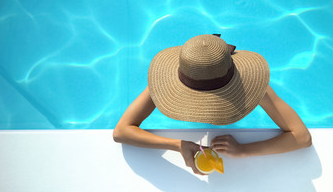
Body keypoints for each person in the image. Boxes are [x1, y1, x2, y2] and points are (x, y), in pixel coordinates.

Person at [113, 34, 312, 175]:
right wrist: (178, 145)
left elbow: (302, 137)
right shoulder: (171, 81)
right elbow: (121, 131)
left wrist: (244, 150)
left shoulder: (251, 84)